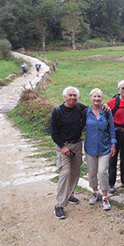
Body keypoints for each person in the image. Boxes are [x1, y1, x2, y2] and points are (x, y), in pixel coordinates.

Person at [50, 86, 87, 220]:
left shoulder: (79, 108)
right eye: (70, 95)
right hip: (63, 146)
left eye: (75, 95)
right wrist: (62, 146)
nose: (72, 98)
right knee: (65, 173)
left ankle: (70, 195)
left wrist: (105, 107)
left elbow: (93, 110)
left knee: (76, 171)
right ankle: (59, 205)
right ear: (64, 97)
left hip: (77, 144)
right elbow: (53, 133)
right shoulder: (58, 111)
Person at [84, 88, 116, 210]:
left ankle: (105, 196)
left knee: (102, 172)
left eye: (99, 97)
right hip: (90, 147)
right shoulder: (86, 112)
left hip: (105, 146)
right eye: (94, 96)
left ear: (102, 98)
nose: (97, 99)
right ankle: (95, 191)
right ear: (90, 98)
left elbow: (112, 129)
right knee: (92, 172)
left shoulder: (107, 112)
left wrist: (113, 144)